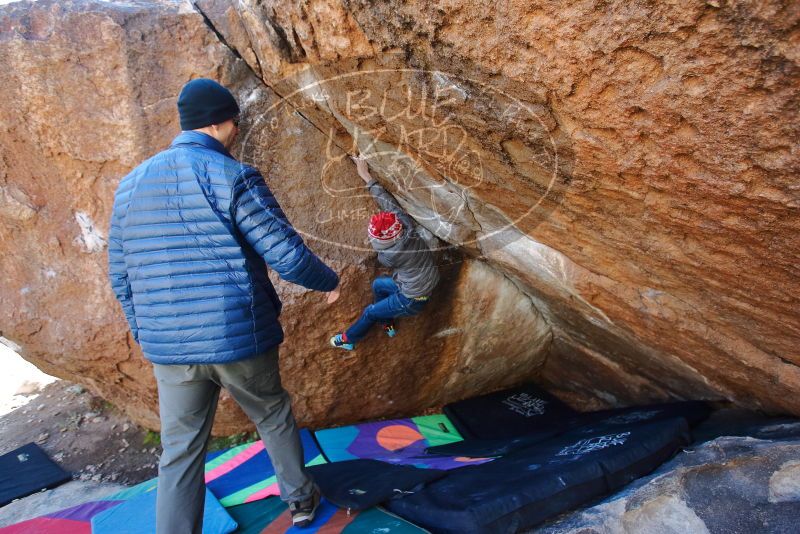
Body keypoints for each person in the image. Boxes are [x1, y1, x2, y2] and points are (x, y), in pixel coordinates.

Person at [107, 78, 339, 532]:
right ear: (221, 122)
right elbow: (287, 255)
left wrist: (146, 333)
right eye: (235, 120)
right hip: (238, 335)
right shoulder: (234, 176)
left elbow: (121, 276)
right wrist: (328, 282)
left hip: (169, 347)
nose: (237, 128)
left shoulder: (130, 185)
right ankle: (302, 501)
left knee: (180, 451)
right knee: (272, 414)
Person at [330, 156, 439, 351]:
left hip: (411, 299)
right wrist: (366, 177)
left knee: (370, 312)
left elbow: (382, 255)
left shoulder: (390, 255)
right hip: (421, 284)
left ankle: (348, 339)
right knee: (378, 285)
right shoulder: (408, 229)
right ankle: (387, 321)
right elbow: (389, 205)